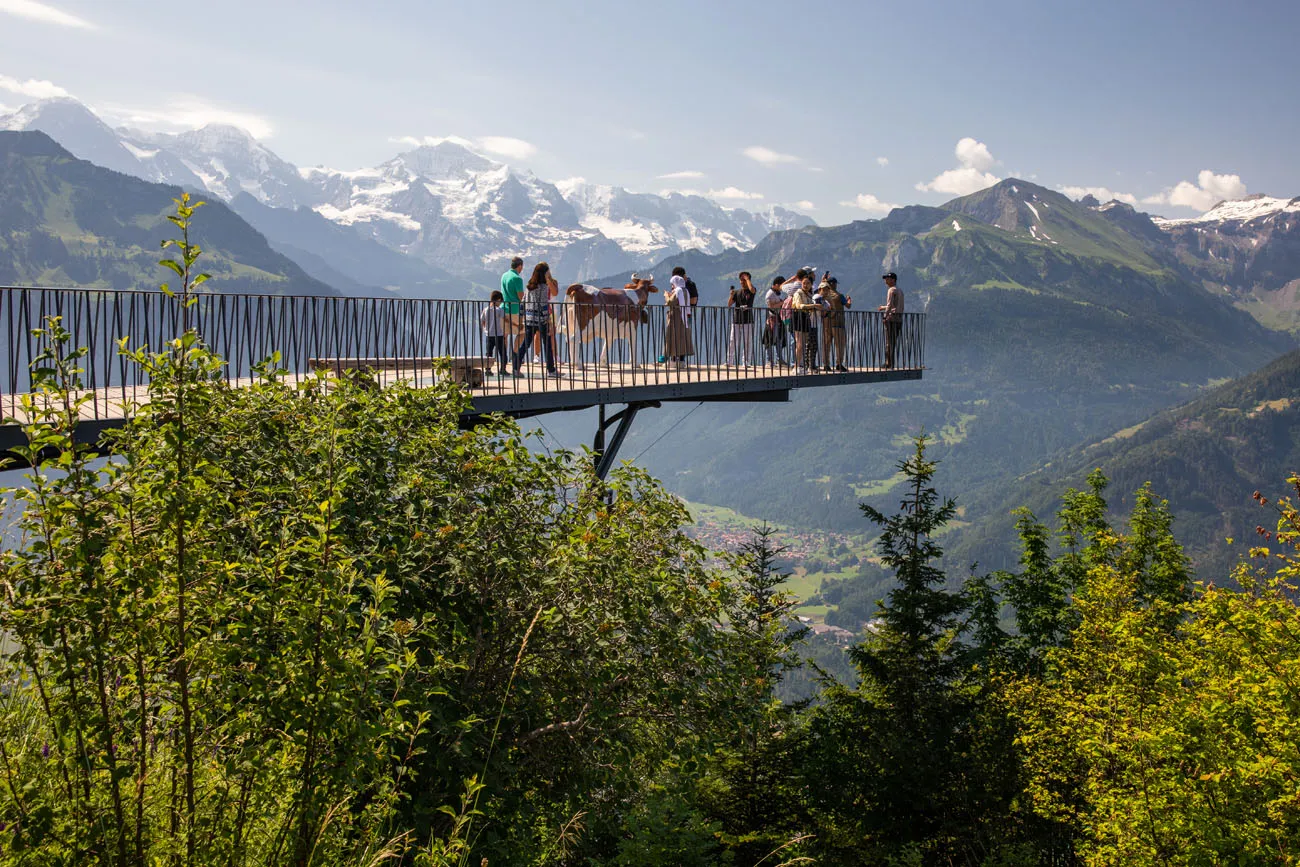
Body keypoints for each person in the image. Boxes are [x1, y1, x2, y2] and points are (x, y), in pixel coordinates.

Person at [512, 262, 559, 377]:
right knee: (547, 345)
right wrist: (548, 320)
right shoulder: (543, 287)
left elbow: (523, 303)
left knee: (525, 344)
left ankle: (515, 368)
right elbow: (543, 303)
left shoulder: (529, 287)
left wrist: (522, 317)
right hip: (541, 319)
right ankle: (551, 370)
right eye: (547, 271)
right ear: (545, 273)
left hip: (529, 319)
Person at [820, 276, 851, 372]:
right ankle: (839, 364)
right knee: (840, 344)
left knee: (826, 344)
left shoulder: (824, 295)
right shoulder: (839, 296)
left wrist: (823, 280)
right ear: (835, 284)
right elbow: (848, 306)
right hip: (838, 322)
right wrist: (849, 299)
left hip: (826, 323)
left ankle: (826, 364)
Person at [790, 272, 819, 374]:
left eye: (807, 283)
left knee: (803, 343)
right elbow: (799, 306)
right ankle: (796, 366)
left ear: (811, 285)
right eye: (804, 283)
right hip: (798, 317)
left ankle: (800, 365)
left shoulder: (809, 295)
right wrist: (813, 306)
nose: (805, 285)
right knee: (799, 343)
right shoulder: (798, 293)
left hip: (805, 318)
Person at [664, 273, 695, 368]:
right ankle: (681, 361)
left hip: (676, 318)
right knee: (682, 339)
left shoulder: (677, 291)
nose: (672, 286)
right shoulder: (686, 291)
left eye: (672, 284)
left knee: (674, 337)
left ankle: (673, 361)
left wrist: (666, 295)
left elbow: (670, 302)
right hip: (685, 317)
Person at [727, 273, 757, 367]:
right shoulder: (737, 292)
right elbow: (729, 304)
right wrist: (731, 295)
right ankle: (729, 361)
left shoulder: (752, 290)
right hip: (737, 318)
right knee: (732, 340)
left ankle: (746, 361)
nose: (742, 282)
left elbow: (752, 289)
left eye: (744, 280)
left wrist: (748, 279)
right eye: (741, 280)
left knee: (747, 341)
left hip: (748, 319)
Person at [500, 256, 526, 356]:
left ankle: (503, 357)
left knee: (505, 335)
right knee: (522, 332)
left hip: (504, 308)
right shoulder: (517, 278)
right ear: (519, 266)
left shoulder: (504, 275)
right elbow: (520, 296)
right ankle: (515, 354)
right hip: (514, 309)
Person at [879, 271, 905, 369]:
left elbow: (890, 305)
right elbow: (898, 306)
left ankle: (888, 363)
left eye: (887, 278)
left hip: (891, 319)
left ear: (893, 280)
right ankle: (891, 363)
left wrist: (885, 316)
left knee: (888, 342)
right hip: (899, 319)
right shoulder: (900, 291)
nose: (886, 280)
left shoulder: (891, 290)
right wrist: (883, 307)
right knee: (893, 341)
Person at [763, 274, 790, 366]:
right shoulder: (770, 294)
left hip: (778, 318)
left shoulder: (775, 293)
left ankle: (779, 359)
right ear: (777, 285)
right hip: (772, 318)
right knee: (770, 339)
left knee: (779, 339)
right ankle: (769, 360)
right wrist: (782, 302)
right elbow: (771, 306)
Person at [480, 290, 507, 376]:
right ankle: (502, 369)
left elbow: (482, 320)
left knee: (489, 353)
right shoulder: (499, 310)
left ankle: (488, 369)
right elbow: (504, 320)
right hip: (498, 334)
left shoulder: (485, 309)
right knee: (502, 353)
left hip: (489, 335)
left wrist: (485, 329)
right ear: (498, 300)